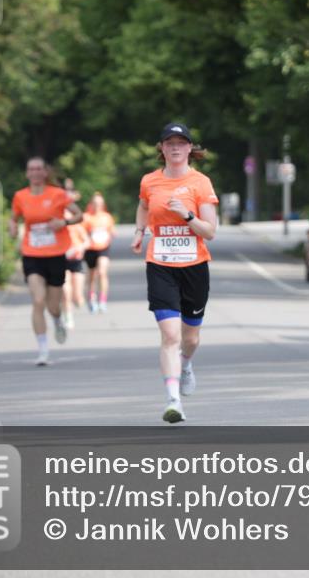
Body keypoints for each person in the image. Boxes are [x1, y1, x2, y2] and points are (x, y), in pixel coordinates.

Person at [131, 123, 218, 424]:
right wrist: (140, 231)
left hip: (194, 267)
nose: (176, 147)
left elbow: (210, 231)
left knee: (190, 338)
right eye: (170, 143)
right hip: (161, 265)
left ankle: (187, 364)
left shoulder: (201, 183)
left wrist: (187, 214)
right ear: (162, 148)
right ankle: (173, 401)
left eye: (182, 143)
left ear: (190, 149)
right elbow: (143, 206)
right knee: (170, 334)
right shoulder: (150, 181)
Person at [10, 157, 83, 366]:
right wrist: (12, 227)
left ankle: (58, 319)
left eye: (39, 168)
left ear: (45, 172)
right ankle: (43, 350)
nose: (34, 172)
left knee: (53, 306)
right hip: (32, 254)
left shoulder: (58, 194)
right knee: (38, 300)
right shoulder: (20, 196)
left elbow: (79, 215)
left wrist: (64, 222)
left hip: (56, 254)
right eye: (31, 169)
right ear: (27, 173)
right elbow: (13, 217)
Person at [83, 192, 115, 313]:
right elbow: (81, 233)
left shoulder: (107, 217)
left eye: (100, 203)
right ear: (91, 204)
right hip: (90, 249)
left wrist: (109, 235)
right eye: (95, 203)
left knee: (102, 272)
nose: (97, 205)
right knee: (91, 276)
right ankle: (91, 299)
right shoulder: (86, 217)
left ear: (103, 204)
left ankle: (102, 300)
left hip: (103, 248)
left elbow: (112, 231)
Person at [62, 208, 90, 329]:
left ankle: (78, 299)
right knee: (65, 290)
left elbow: (88, 241)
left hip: (76, 260)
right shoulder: (57, 228)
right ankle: (68, 316)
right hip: (61, 261)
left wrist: (80, 248)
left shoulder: (76, 226)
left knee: (78, 298)